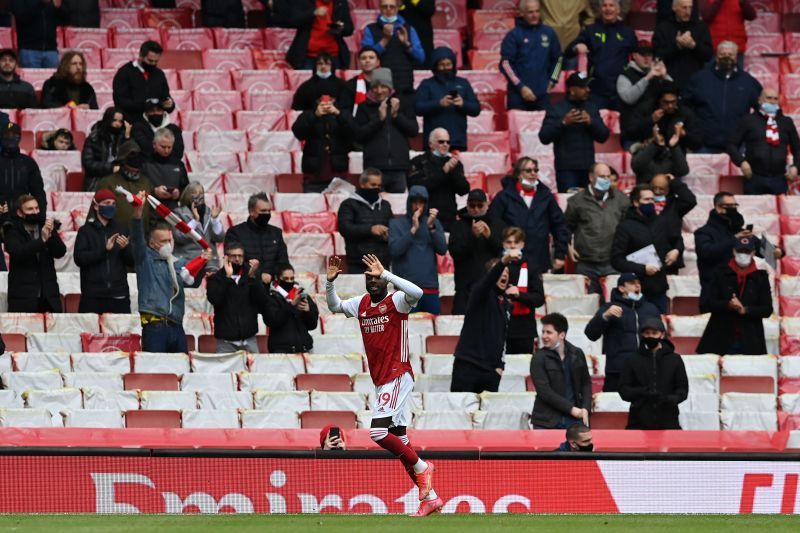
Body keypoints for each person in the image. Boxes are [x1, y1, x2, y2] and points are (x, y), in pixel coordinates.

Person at [326, 253, 441, 515]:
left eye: (377, 277)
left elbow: (418, 292)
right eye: (369, 278)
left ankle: (423, 468)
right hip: (382, 380)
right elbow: (334, 307)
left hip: (398, 374)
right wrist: (330, 283)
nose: (373, 281)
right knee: (398, 438)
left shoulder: (398, 301)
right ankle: (430, 498)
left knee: (378, 433)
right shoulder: (361, 304)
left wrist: (387, 273)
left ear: (386, 281)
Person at [131, 191, 211, 353]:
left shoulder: (178, 262)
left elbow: (193, 282)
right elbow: (137, 237)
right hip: (155, 327)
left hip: (177, 326)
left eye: (170, 240)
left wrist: (203, 263)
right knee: (155, 373)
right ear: (152, 244)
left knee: (180, 372)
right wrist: (137, 213)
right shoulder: (144, 259)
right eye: (163, 241)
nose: (168, 244)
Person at [694, 191, 782, 307]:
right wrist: (734, 240)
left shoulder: (738, 231)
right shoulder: (703, 232)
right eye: (729, 206)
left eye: (735, 206)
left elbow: (765, 251)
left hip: (742, 290)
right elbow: (706, 252)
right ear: (718, 208)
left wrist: (776, 251)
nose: (733, 209)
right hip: (715, 293)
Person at [450, 252, 519, 394]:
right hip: (468, 366)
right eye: (501, 270)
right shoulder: (479, 293)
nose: (504, 273)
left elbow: (502, 337)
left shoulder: (506, 303)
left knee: (487, 416)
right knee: (461, 414)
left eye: (507, 271)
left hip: (491, 371)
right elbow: (488, 281)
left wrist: (500, 366)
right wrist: (503, 261)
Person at [488, 156, 569, 274]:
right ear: (518, 174)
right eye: (528, 170)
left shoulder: (546, 197)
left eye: (535, 170)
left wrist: (560, 255)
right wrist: (501, 253)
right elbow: (494, 227)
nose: (533, 174)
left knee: (535, 293)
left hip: (539, 262)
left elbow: (560, 226)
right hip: (511, 261)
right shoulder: (503, 197)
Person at [585, 272, 661, 392]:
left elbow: (661, 337)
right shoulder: (609, 307)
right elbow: (591, 334)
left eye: (638, 283)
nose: (637, 286)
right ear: (621, 288)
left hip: (646, 368)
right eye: (632, 283)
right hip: (618, 370)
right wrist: (605, 316)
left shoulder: (651, 309)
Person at [611, 184, 682, 314]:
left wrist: (676, 250)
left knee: (658, 327)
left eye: (653, 200)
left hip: (658, 288)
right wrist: (643, 269)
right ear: (635, 202)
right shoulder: (625, 227)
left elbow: (677, 239)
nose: (651, 203)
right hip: (635, 289)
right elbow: (616, 260)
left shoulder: (662, 221)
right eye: (646, 200)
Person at [696, 236, 772, 356]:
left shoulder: (761, 277)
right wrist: (728, 305)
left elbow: (767, 309)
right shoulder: (719, 272)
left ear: (753, 253)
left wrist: (745, 310)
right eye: (740, 251)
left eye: (747, 251)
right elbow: (707, 303)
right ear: (733, 251)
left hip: (750, 340)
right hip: (720, 337)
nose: (743, 254)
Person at [683, 41, 761, 153]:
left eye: (730, 55)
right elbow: (685, 106)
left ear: (736, 56)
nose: (726, 57)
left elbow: (762, 108)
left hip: (738, 147)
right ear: (716, 56)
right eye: (722, 54)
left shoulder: (749, 82)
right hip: (704, 144)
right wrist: (694, 130)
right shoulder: (699, 79)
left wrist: (748, 131)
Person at [564, 162, 629, 295]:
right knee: (587, 305)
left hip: (612, 262)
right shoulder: (576, 201)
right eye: (601, 176)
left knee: (615, 305)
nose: (605, 180)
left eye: (608, 176)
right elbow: (565, 227)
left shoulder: (622, 200)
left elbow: (628, 228)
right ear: (591, 177)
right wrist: (567, 245)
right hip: (586, 263)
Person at [539, 72, 610, 192]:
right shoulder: (556, 109)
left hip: (589, 168)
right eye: (583, 87)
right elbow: (544, 137)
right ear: (572, 90)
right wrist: (563, 122)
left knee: (590, 205)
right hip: (566, 169)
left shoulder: (591, 108)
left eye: (588, 86)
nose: (588, 90)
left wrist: (591, 122)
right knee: (568, 203)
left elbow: (603, 136)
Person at [352, 68, 418, 193]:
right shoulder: (364, 107)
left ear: (390, 88)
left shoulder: (402, 104)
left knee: (398, 208)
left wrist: (396, 116)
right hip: (374, 170)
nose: (379, 91)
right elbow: (358, 136)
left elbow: (413, 131)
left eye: (383, 86)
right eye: (375, 87)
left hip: (399, 167)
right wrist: (379, 119)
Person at [727, 88, 800, 196]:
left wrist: (796, 167)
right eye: (768, 98)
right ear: (760, 100)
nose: (772, 101)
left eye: (775, 99)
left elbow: (798, 149)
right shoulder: (748, 120)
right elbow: (731, 145)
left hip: (779, 179)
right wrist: (742, 162)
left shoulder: (786, 122)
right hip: (754, 178)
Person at [565, 0, 637, 110]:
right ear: (600, 9)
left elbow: (638, 55)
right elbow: (568, 51)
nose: (608, 9)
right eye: (604, 5)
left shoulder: (627, 32)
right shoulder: (591, 30)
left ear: (618, 9)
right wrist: (577, 47)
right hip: (596, 91)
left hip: (620, 90)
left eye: (611, 5)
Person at [619, 317, 688, 430]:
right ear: (642, 335)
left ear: (662, 335)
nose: (650, 336)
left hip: (668, 419)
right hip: (638, 420)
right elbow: (623, 389)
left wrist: (669, 399)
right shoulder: (631, 360)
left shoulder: (675, 359)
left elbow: (682, 389)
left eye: (654, 333)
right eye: (647, 333)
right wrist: (643, 392)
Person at [73, 189, 133, 314]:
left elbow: (132, 261)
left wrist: (126, 248)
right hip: (93, 295)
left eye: (113, 203)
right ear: (96, 206)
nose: (110, 206)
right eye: (106, 203)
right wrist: (103, 250)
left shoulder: (122, 229)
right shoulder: (85, 231)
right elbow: (79, 258)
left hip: (119, 294)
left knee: (121, 334)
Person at [388, 185, 447, 314]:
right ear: (409, 203)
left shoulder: (433, 223)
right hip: (405, 290)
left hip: (430, 288)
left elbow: (442, 249)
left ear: (426, 204)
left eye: (421, 202)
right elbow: (394, 251)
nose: (418, 206)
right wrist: (413, 230)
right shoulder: (396, 224)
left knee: (432, 327)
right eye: (414, 202)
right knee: (406, 331)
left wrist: (431, 228)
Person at [2, 194, 65, 312]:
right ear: (20, 213)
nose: (35, 212)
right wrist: (42, 241)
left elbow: (60, 252)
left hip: (49, 297)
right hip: (23, 299)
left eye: (37, 208)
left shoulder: (46, 227)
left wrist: (51, 236)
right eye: (30, 209)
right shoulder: (12, 230)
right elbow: (18, 253)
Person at [530, 313, 592, 429]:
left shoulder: (577, 353)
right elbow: (545, 392)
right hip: (546, 420)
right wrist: (571, 409)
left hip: (575, 420)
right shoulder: (538, 358)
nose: (544, 336)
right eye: (543, 332)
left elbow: (586, 383)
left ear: (562, 335)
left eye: (549, 332)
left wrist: (585, 408)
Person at [499, 0, 563, 112]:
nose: (535, 15)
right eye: (530, 12)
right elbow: (505, 64)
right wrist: (521, 87)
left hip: (543, 96)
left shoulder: (549, 33)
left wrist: (553, 81)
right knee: (517, 130)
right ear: (522, 13)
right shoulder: (513, 35)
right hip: (518, 96)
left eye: (537, 11)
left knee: (546, 129)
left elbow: (558, 59)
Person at [448, 189, 504, 314]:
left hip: (491, 286)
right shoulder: (458, 225)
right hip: (465, 288)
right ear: (467, 205)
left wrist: (490, 237)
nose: (476, 209)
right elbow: (455, 253)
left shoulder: (498, 224)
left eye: (480, 205)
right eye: (472, 205)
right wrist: (472, 237)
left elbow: (504, 253)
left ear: (487, 204)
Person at [415, 46, 480, 152]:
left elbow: (476, 109)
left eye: (448, 64)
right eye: (442, 65)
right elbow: (418, 108)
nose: (445, 68)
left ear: (453, 65)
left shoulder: (463, 83)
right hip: (433, 142)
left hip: (457, 142)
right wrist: (439, 103)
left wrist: (463, 104)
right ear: (435, 66)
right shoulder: (427, 84)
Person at [206, 242, 268, 354]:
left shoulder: (251, 275)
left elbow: (262, 300)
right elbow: (215, 299)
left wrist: (252, 277)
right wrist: (227, 278)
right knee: (225, 372)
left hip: (249, 339)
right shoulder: (216, 278)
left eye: (240, 256)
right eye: (233, 256)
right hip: (226, 341)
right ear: (226, 258)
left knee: (255, 370)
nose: (237, 259)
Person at [406, 128, 469, 232]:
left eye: (448, 142)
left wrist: (452, 172)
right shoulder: (418, 161)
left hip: (449, 217)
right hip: (424, 216)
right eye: (441, 142)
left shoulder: (454, 163)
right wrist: (443, 171)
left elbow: (464, 190)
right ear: (431, 144)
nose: (445, 144)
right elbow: (415, 187)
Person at [360, 0, 425, 97]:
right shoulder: (370, 29)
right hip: (379, 88)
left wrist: (407, 44)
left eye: (392, 7)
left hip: (405, 86)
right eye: (384, 7)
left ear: (398, 7)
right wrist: (385, 39)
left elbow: (421, 58)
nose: (388, 10)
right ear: (380, 8)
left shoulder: (408, 29)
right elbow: (366, 57)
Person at [291, 91, 352, 193]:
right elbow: (298, 133)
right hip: (313, 175)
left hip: (339, 174)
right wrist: (315, 115)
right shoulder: (307, 115)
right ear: (317, 101)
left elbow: (355, 133)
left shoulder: (343, 114)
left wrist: (339, 114)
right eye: (322, 100)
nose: (326, 104)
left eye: (330, 100)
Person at [224, 192, 289, 286]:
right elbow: (233, 260)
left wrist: (270, 275)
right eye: (263, 211)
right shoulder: (235, 233)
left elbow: (283, 261)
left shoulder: (276, 233)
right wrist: (259, 274)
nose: (267, 214)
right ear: (251, 212)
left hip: (272, 285)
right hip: (245, 285)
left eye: (269, 211)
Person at [617, 41, 672, 149]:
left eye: (649, 55)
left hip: (655, 134)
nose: (646, 58)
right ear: (634, 55)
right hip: (632, 135)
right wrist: (647, 78)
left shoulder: (658, 75)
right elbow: (629, 98)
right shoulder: (625, 76)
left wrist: (665, 76)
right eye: (643, 55)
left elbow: (675, 97)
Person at [337, 169, 393, 275]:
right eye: (373, 185)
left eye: (379, 185)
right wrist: (370, 230)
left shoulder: (385, 205)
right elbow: (345, 228)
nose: (376, 188)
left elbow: (393, 226)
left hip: (381, 263)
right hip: (358, 263)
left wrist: (389, 234)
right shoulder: (348, 204)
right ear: (362, 184)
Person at [501, 226, 545, 354]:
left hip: (524, 330)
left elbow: (539, 299)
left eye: (516, 242)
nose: (512, 246)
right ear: (503, 244)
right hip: (500, 327)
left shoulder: (532, 266)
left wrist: (519, 294)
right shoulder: (497, 265)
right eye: (509, 242)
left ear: (522, 244)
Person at [653, 0, 713, 90]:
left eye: (690, 8)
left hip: (695, 82)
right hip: (670, 81)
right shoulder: (663, 28)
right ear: (674, 8)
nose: (688, 12)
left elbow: (708, 55)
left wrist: (694, 46)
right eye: (684, 8)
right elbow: (658, 55)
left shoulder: (701, 27)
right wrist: (677, 46)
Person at [95, 141, 155, 230]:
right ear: (122, 161)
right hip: (116, 237)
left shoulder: (146, 182)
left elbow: (152, 212)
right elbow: (97, 213)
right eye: (131, 157)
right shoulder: (108, 183)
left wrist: (152, 231)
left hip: (142, 237)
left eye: (138, 156)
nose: (135, 160)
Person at [625, 82, 702, 151]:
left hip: (675, 158)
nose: (670, 106)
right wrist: (650, 120)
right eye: (666, 102)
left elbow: (698, 143)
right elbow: (629, 133)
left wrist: (684, 134)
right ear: (659, 100)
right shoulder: (647, 108)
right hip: (648, 157)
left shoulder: (685, 113)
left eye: (673, 102)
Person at [112, 41, 175, 124]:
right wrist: (144, 105)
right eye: (150, 60)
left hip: (156, 122)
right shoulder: (124, 72)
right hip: (132, 122)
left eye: (156, 61)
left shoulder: (159, 74)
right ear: (141, 56)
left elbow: (165, 96)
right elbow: (120, 101)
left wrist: (170, 104)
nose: (153, 64)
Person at [264, 264, 320, 353]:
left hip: (305, 348)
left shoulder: (303, 295)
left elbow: (313, 325)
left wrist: (308, 312)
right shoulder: (271, 298)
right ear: (277, 278)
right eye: (286, 279)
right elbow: (272, 321)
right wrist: (291, 305)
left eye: (292, 278)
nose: (289, 281)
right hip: (281, 351)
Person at [649, 173, 696, 277]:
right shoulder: (645, 203)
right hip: (647, 258)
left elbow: (690, 201)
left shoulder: (675, 205)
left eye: (661, 189)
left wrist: (676, 183)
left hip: (669, 257)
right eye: (654, 188)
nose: (657, 192)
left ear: (668, 189)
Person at [285, 0, 354, 70]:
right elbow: (293, 20)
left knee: (334, 81)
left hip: (334, 55)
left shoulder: (341, 2)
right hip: (308, 56)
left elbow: (349, 29)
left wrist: (342, 26)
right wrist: (313, 13)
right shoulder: (305, 1)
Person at [172, 182, 224, 276]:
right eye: (194, 193)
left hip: (210, 263)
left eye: (201, 193)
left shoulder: (209, 212)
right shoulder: (178, 213)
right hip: (188, 261)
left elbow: (220, 237)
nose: (198, 196)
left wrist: (215, 219)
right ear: (187, 195)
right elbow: (179, 237)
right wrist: (195, 221)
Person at [0, 123, 47, 221]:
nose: (10, 138)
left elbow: (38, 192)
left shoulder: (28, 162)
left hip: (23, 216)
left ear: (19, 137)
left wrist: (40, 217)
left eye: (14, 135)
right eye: (7, 135)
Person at [82, 106, 132, 192]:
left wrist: (127, 136)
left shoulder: (122, 137)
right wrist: (111, 168)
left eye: (120, 121)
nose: (117, 124)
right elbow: (88, 164)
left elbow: (133, 158)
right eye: (114, 120)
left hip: (120, 180)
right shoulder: (94, 138)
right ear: (107, 120)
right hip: (97, 180)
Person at [140, 128, 189, 211]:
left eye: (169, 147)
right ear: (154, 144)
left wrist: (178, 194)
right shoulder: (143, 162)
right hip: (148, 211)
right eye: (163, 147)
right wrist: (154, 191)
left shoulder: (178, 164)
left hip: (172, 213)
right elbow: (136, 187)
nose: (166, 150)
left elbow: (186, 189)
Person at [131, 98, 184, 163]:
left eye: (159, 110)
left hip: (170, 166)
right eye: (151, 110)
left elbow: (178, 151)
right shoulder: (139, 128)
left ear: (164, 112)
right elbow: (143, 148)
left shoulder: (174, 129)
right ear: (146, 113)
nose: (155, 113)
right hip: (147, 167)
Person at [11, 0, 60, 68]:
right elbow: (21, 17)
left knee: (55, 78)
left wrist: (59, 7)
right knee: (28, 78)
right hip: (29, 50)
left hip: (51, 50)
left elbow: (65, 20)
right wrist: (40, 3)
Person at [341, 46, 381, 115]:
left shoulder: (385, 84)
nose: (367, 60)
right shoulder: (350, 85)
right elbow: (345, 111)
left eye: (371, 58)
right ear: (359, 62)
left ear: (377, 62)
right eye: (363, 58)